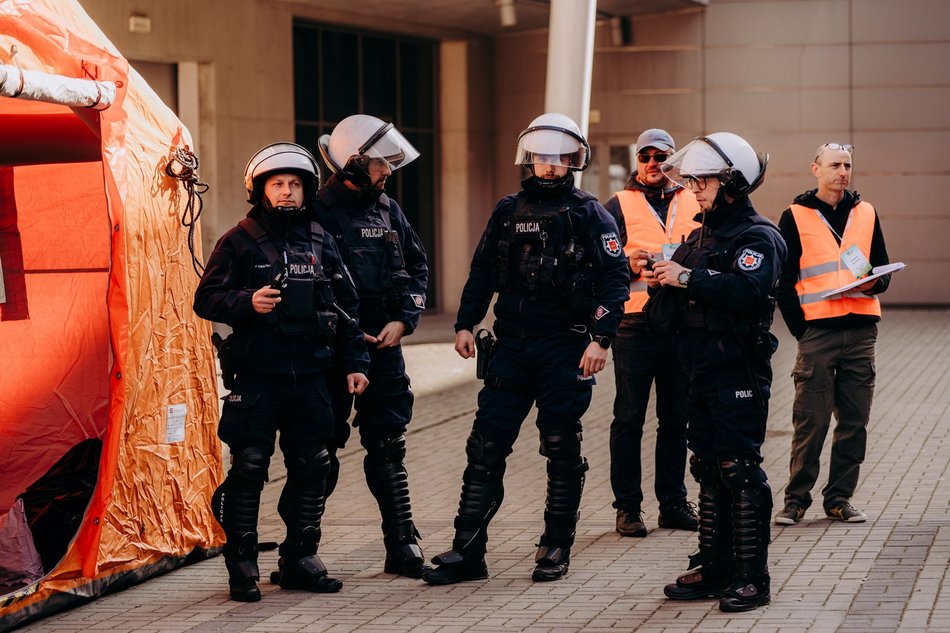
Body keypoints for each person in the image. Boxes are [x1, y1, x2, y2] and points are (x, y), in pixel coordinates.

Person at [422, 113, 630, 586]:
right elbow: (481, 271)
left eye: (560, 159)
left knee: (560, 446)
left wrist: (601, 339)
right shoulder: (507, 209)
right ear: (529, 159)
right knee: (485, 447)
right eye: (542, 158)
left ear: (574, 161)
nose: (550, 167)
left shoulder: (590, 213)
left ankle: (555, 546)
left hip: (566, 347)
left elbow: (616, 280)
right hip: (510, 347)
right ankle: (467, 553)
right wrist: (465, 323)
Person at [194, 143, 370, 602]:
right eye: (277, 184)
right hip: (257, 378)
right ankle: (243, 567)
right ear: (260, 189)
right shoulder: (237, 240)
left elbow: (347, 308)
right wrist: (245, 303)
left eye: (294, 184)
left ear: (307, 189)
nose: (287, 192)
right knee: (250, 467)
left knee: (313, 465)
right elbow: (205, 299)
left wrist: (355, 364)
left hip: (312, 377)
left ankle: (300, 559)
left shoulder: (321, 240)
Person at [643, 132, 786, 612]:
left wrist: (687, 277)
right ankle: (715, 564)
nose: (692, 187)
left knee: (738, 468)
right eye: (691, 179)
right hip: (696, 368)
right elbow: (673, 295)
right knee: (706, 467)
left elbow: (748, 290)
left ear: (731, 181)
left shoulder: (758, 235)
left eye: (701, 179)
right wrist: (661, 274)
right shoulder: (699, 235)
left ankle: (752, 577)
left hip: (736, 368)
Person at [313, 115, 431, 577]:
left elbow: (418, 267)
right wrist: (344, 329)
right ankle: (301, 550)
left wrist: (406, 319)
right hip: (332, 350)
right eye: (382, 163)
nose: (388, 172)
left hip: (384, 346)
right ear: (356, 162)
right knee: (318, 450)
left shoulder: (389, 209)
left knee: (387, 445)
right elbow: (307, 280)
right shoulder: (315, 211)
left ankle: (402, 545)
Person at [774, 143, 891, 526]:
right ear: (816, 169)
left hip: (860, 331)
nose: (843, 172)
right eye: (835, 165)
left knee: (854, 423)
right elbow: (783, 281)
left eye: (848, 165)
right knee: (812, 422)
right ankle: (796, 500)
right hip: (818, 334)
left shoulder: (866, 212)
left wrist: (876, 282)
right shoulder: (794, 216)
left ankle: (839, 498)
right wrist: (801, 331)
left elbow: (882, 271)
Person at [603, 128, 701, 537]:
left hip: (680, 324)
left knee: (676, 419)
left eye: (660, 156)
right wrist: (627, 266)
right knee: (628, 419)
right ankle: (627, 508)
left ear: (672, 160)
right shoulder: (618, 205)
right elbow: (597, 263)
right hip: (635, 326)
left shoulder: (694, 199)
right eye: (645, 157)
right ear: (636, 161)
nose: (652, 164)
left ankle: (673, 503)